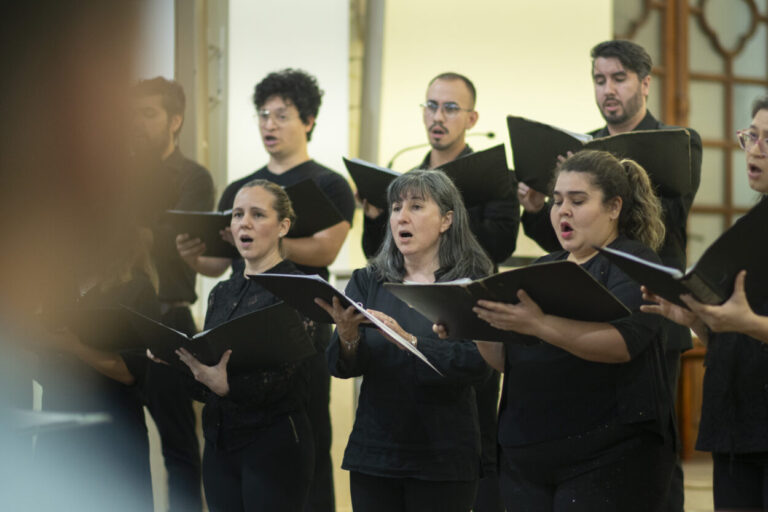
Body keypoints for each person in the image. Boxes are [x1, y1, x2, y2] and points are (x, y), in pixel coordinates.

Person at [517, 40, 701, 511]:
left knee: (652, 437)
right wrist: (543, 206)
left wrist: (615, 183)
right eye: (599, 80)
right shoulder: (583, 148)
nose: (608, 90)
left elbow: (669, 221)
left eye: (618, 79)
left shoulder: (677, 141)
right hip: (586, 292)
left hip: (650, 299)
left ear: (644, 83)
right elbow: (560, 241)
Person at [448, 150, 676, 511]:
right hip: (527, 455)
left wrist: (539, 324)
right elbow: (506, 360)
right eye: (556, 201)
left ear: (614, 207)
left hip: (608, 454)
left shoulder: (636, 262)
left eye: (577, 200)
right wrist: (473, 323)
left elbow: (622, 344)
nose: (562, 211)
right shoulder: (543, 266)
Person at [176, 68, 354, 512]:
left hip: (296, 310)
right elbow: (218, 264)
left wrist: (266, 238)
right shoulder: (241, 188)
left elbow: (326, 250)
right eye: (263, 115)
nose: (269, 124)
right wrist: (193, 255)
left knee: (299, 437)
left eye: (281, 115)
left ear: (308, 120)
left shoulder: (329, 183)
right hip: (240, 302)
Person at [360, 72, 519, 511]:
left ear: (471, 117)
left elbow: (502, 243)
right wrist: (377, 215)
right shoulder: (408, 174)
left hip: (465, 310)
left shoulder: (491, 176)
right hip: (404, 299)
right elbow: (378, 254)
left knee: (473, 434)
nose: (438, 116)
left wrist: (447, 221)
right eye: (431, 105)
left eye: (450, 108)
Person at [318, 170, 493, 512]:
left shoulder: (470, 284)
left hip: (444, 455)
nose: (402, 217)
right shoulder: (369, 280)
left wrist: (409, 339)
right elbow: (340, 367)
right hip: (376, 452)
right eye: (396, 208)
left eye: (416, 206)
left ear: (446, 220)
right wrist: (348, 337)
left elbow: (477, 365)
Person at [150, 180, 317, 511]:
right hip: (219, 445)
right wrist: (178, 360)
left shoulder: (299, 291)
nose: (244, 223)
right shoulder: (222, 293)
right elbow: (208, 380)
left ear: (283, 226)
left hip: (274, 446)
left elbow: (290, 380)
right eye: (238, 214)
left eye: (257, 214)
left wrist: (227, 387)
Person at [641, 96, 768, 511]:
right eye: (752, 135)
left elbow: (750, 323)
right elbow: (735, 327)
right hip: (737, 421)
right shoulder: (750, 226)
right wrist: (694, 319)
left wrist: (747, 324)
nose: (755, 148)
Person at [132, 76, 215, 512]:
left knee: (179, 447)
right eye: (133, 114)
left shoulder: (193, 178)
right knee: (121, 448)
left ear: (175, 120)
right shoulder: (120, 174)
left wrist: (134, 233)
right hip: (118, 320)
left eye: (149, 114)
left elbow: (172, 240)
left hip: (168, 319)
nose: (137, 123)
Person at [33, 228, 160, 512]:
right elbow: (43, 368)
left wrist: (75, 347)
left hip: (114, 432)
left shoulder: (136, 289)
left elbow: (134, 372)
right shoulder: (56, 289)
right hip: (59, 430)